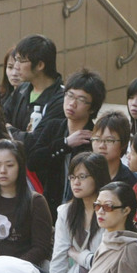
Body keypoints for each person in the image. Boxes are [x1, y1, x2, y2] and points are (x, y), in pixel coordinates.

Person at [26, 68, 102, 213]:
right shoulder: (53, 126)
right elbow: (33, 161)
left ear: (92, 109)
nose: (72, 103)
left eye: (81, 100)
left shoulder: (94, 136)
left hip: (83, 209)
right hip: (51, 207)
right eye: (69, 96)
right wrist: (65, 143)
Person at [0, 140, 53, 268]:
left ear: (20, 166)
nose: (2, 171)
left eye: (9, 165)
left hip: (22, 271)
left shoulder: (36, 201)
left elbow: (41, 247)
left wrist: (13, 266)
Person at [51, 152, 111, 273]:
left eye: (82, 177)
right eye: (72, 177)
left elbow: (105, 262)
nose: (76, 182)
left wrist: (78, 255)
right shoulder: (65, 212)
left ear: (98, 177)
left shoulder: (110, 212)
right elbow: (59, 257)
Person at [1, 35, 64, 133]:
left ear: (40, 65)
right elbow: (0, 119)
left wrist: (8, 129)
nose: (16, 67)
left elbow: (35, 142)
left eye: (21, 61)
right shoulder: (22, 89)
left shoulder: (60, 99)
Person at [91, 112, 137, 188]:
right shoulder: (83, 175)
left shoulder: (133, 180)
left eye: (109, 140)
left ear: (124, 143)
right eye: (97, 139)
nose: (102, 146)